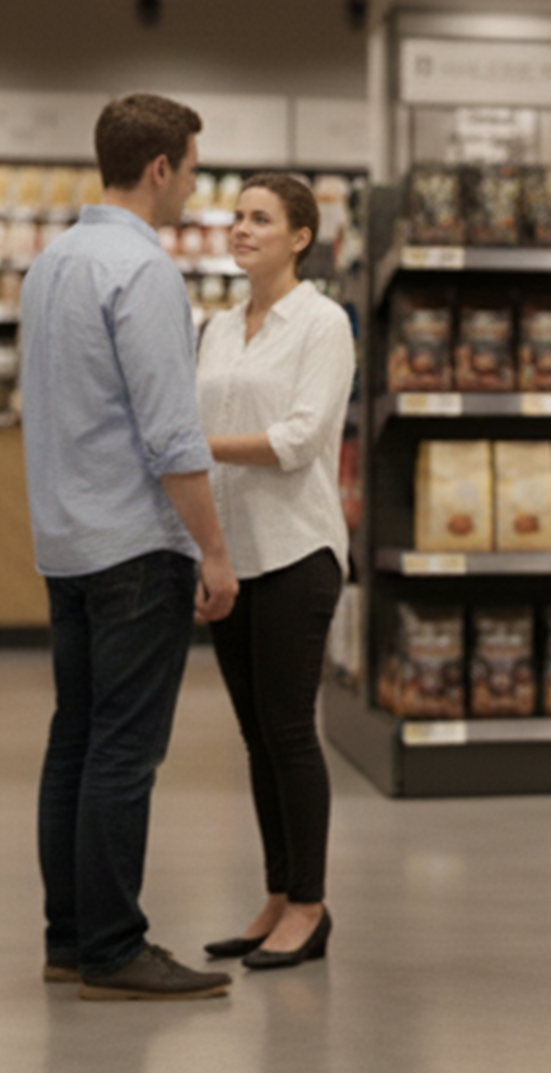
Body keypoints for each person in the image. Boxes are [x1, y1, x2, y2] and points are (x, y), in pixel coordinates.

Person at [21, 93, 240, 1002]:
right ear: (160, 169)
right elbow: (171, 434)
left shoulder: (49, 264)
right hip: (135, 547)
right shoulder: (142, 271)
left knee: (74, 739)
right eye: (190, 168)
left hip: (66, 542)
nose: (193, 186)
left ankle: (69, 938)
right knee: (124, 751)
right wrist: (215, 554)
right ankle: (115, 948)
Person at [196, 173, 355, 972]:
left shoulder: (323, 323)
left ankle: (310, 906)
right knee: (256, 738)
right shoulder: (219, 328)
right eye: (236, 215)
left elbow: (297, 438)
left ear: (300, 237)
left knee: (291, 732)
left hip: (297, 549)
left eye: (261, 218)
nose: (241, 228)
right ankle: (275, 893)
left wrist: (194, 451)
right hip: (232, 554)